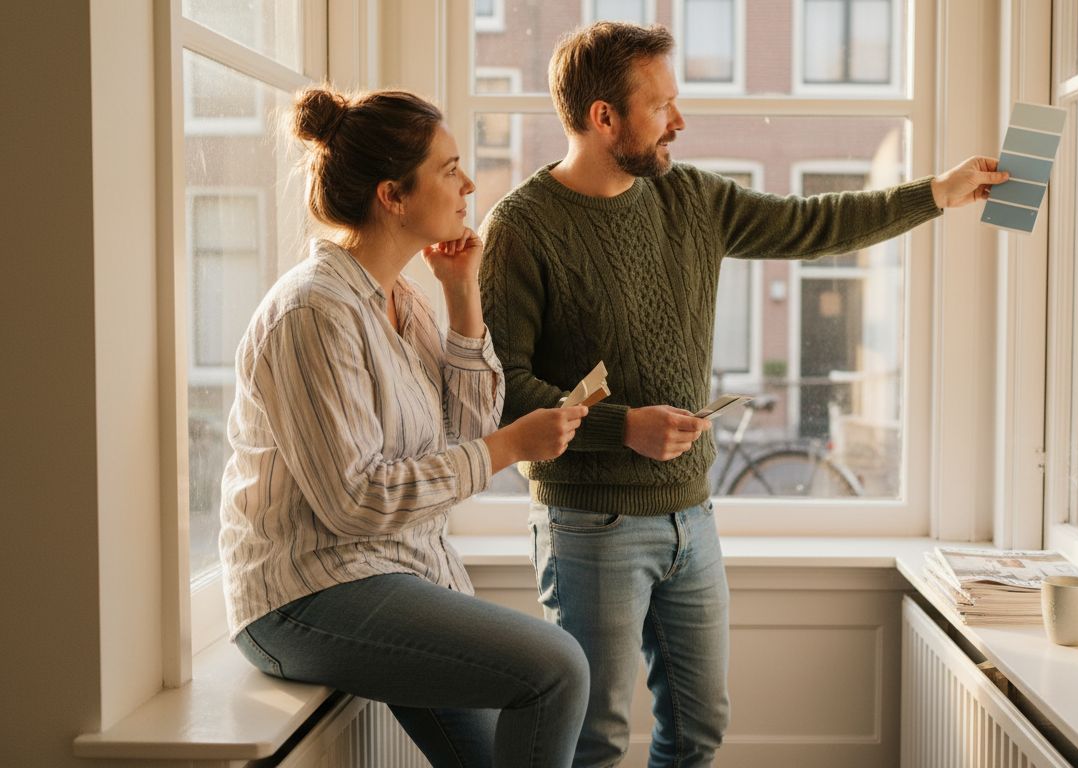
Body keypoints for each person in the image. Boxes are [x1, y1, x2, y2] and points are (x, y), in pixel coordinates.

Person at [477, 21, 1010, 768]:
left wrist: (938, 194)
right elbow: (501, 393)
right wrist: (623, 427)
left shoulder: (692, 198)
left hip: (692, 520)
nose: (680, 122)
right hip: (589, 525)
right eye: (661, 105)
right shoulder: (521, 228)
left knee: (699, 731)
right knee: (593, 742)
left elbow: (814, 224)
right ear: (604, 118)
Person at [218, 85, 593, 768]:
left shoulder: (401, 302)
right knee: (558, 668)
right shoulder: (314, 313)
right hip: (304, 599)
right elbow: (355, 501)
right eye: (449, 170)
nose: (469, 184)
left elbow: (465, 428)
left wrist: (460, 292)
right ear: (393, 194)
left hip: (392, 577)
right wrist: (509, 448)